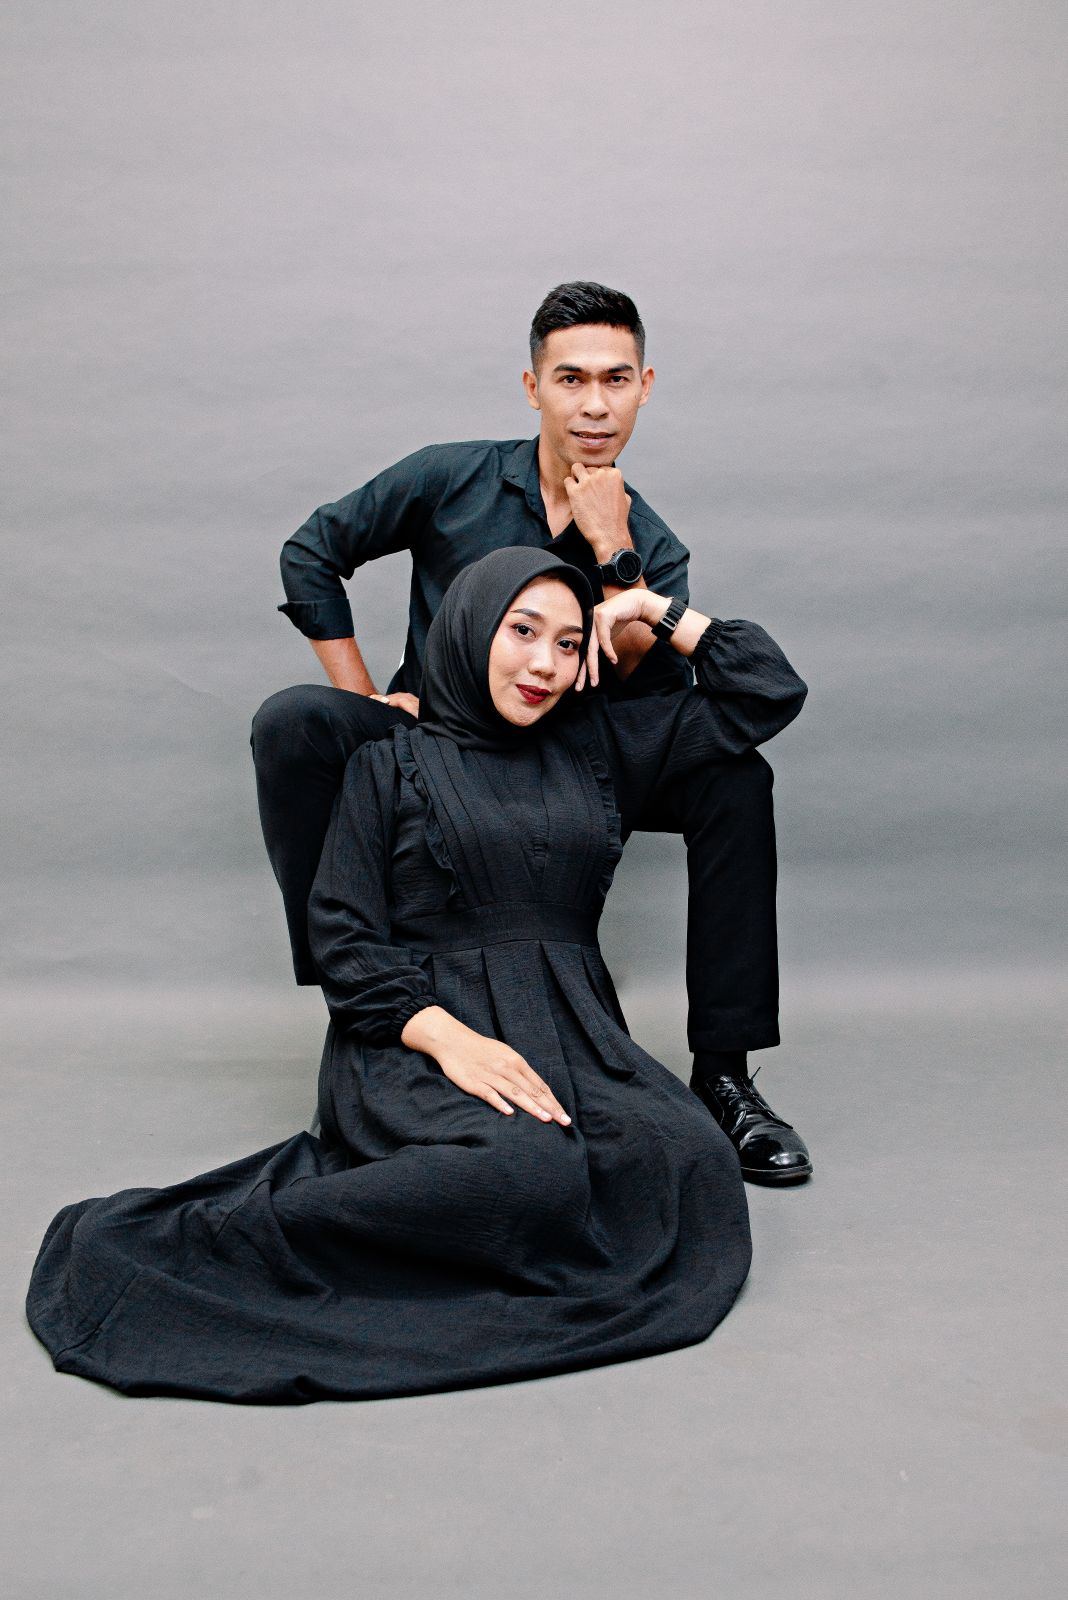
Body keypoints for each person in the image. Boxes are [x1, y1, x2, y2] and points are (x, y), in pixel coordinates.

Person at [26, 548, 806, 1404]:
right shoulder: (388, 762)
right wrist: (447, 1038)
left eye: (566, 642)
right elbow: (343, 935)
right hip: (417, 1034)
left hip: (574, 1037)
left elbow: (767, 691)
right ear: (470, 630)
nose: (544, 664)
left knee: (686, 1158)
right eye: (522, 632)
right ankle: (218, 1241)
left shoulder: (600, 748)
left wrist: (650, 610)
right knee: (530, 1171)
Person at [253, 280, 812, 1183]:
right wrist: (374, 700)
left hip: (573, 762)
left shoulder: (652, 542)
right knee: (294, 724)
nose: (594, 405)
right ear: (533, 387)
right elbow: (310, 552)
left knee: (737, 779)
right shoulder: (449, 478)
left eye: (616, 380)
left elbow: (640, 679)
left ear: (644, 388)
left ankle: (725, 1075)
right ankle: (367, 999)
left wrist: (614, 551)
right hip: (436, 750)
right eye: (571, 379)